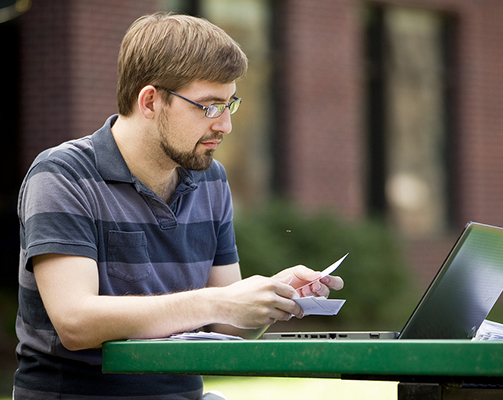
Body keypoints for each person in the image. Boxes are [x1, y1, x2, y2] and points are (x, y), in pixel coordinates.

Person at [13, 12, 343, 400]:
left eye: (229, 105)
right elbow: (75, 323)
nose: (224, 126)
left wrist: (271, 299)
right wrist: (217, 301)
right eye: (208, 106)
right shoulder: (63, 174)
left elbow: (224, 327)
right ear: (151, 101)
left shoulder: (210, 179)